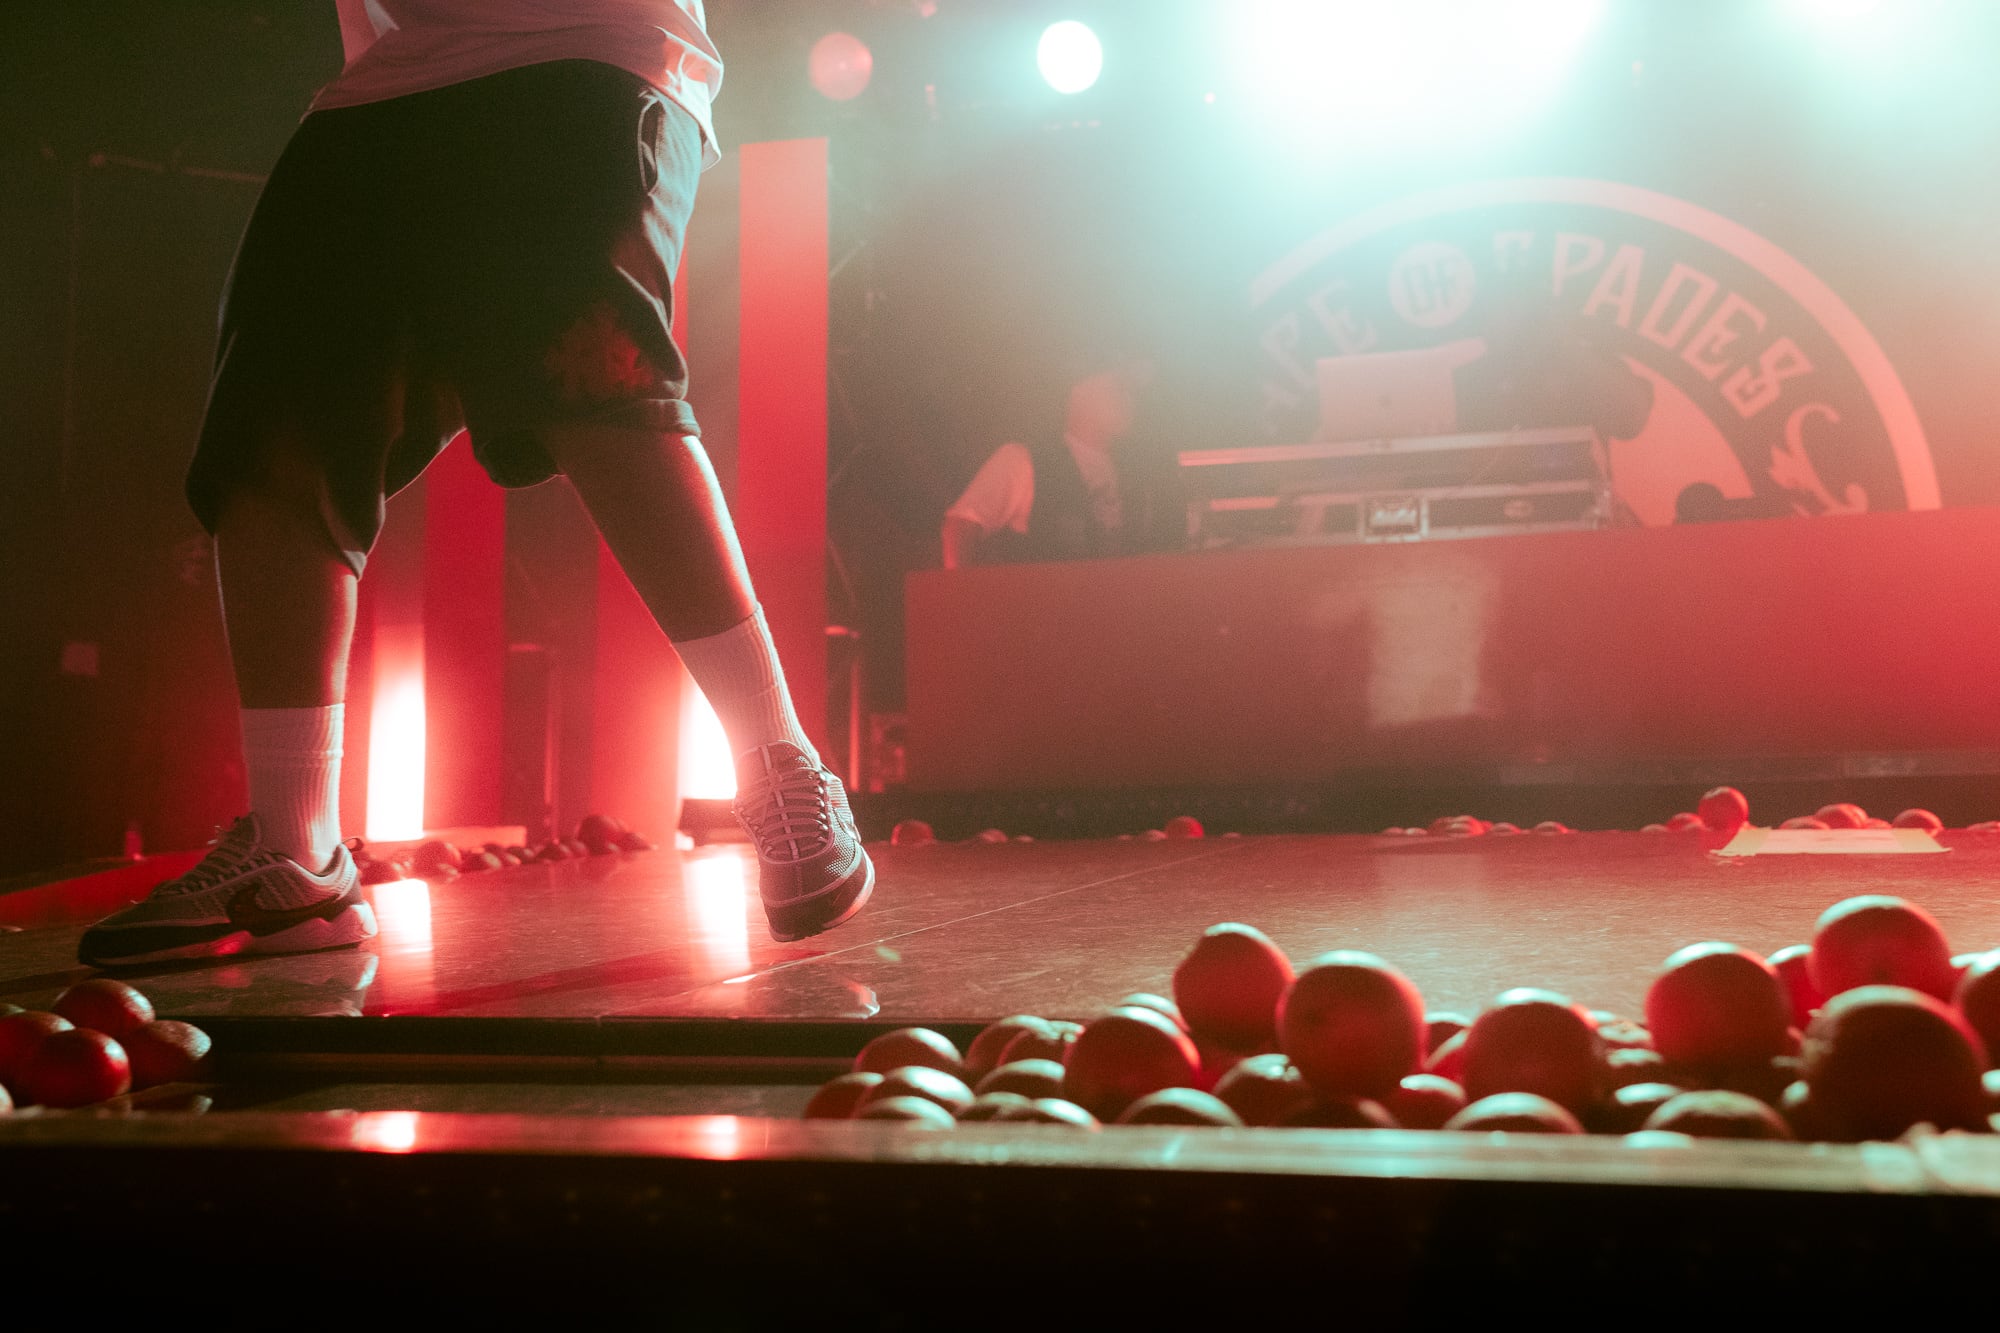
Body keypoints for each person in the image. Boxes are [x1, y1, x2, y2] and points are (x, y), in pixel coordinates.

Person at [78, 1, 873, 966]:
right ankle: (297, 848)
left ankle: (780, 761)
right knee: (271, 441)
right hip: (390, 82)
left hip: (585, 49)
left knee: (596, 382)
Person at [941, 361, 1181, 568]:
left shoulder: (1136, 470)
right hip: (1048, 617)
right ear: (1079, 392)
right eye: (1118, 388)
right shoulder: (1023, 461)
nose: (1129, 399)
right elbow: (961, 528)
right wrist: (962, 607)